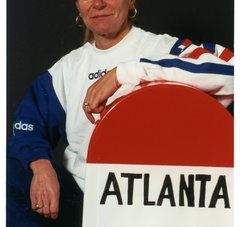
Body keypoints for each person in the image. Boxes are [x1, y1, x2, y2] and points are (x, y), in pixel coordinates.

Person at [7, 0, 234, 226]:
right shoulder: (66, 69)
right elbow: (28, 126)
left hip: (152, 203)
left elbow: (232, 72)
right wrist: (40, 165)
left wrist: (125, 73)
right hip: (83, 201)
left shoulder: (163, 49)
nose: (97, 4)